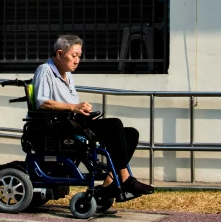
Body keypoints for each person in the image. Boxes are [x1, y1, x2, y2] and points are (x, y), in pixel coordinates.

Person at [33, 34, 154, 202]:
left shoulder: (68, 75)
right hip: (60, 125)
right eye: (73, 56)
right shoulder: (45, 70)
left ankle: (109, 183)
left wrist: (83, 109)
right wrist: (74, 107)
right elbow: (42, 102)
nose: (77, 61)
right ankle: (125, 179)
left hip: (75, 121)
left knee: (131, 133)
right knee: (115, 124)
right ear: (60, 54)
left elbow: (73, 103)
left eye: (79, 56)